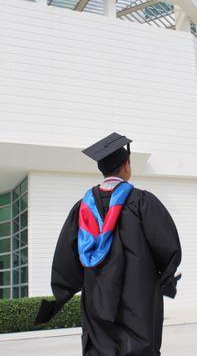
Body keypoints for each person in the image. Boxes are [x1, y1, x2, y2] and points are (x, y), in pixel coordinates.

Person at [34, 132, 182, 356]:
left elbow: (66, 257)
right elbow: (167, 245)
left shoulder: (82, 208)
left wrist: (63, 291)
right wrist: (165, 277)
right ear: (126, 166)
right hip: (139, 297)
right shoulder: (141, 201)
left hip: (97, 298)